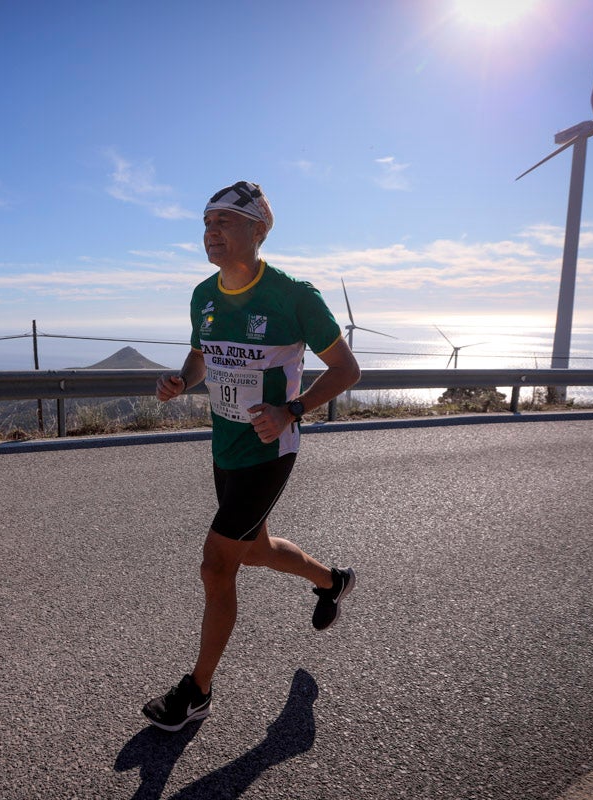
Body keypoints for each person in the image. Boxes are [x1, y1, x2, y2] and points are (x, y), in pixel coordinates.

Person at [142, 181, 362, 732]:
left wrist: (292, 409)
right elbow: (200, 355)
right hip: (225, 446)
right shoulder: (203, 294)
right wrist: (182, 379)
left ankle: (196, 692)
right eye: (205, 223)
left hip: (269, 449)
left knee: (217, 564)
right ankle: (332, 581)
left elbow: (346, 371)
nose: (210, 232)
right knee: (256, 550)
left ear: (258, 229)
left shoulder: (294, 296)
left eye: (223, 222)